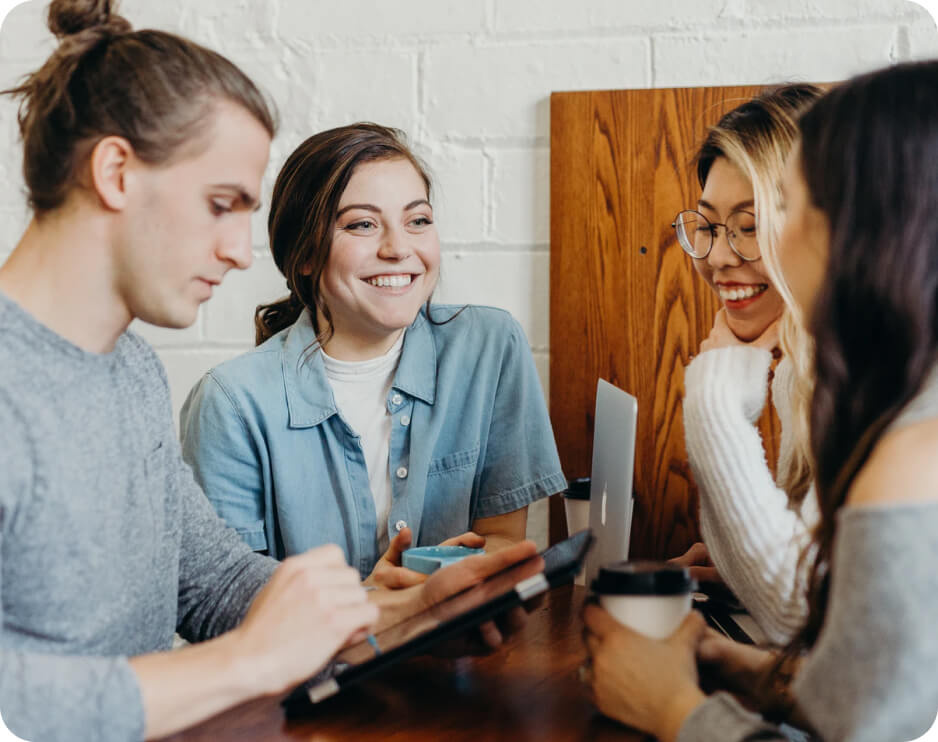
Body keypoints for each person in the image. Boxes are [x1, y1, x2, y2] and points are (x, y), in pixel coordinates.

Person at [0, 3, 537, 740]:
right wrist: (250, 663)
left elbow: (217, 584)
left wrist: (399, 613)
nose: (239, 251)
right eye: (222, 206)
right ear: (116, 171)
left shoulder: (128, 371)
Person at [584, 60, 938, 742]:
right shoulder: (891, 397)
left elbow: (811, 634)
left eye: (788, 205)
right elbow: (855, 688)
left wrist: (673, 711)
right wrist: (747, 671)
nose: (724, 255)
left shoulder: (911, 442)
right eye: (711, 226)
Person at [179, 122, 566, 587]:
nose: (399, 248)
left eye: (417, 220)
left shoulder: (489, 347)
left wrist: (440, 584)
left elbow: (502, 540)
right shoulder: (231, 403)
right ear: (304, 254)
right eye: (362, 224)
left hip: (458, 650)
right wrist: (375, 604)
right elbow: (230, 603)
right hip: (316, 660)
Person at [670, 84, 824, 644]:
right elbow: (810, 593)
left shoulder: (873, 378)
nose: (717, 257)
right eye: (708, 225)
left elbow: (799, 616)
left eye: (751, 225)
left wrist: (713, 397)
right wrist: (739, 567)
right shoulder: (801, 370)